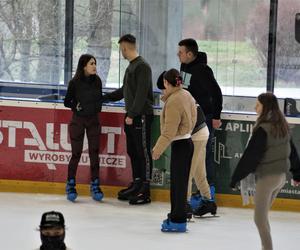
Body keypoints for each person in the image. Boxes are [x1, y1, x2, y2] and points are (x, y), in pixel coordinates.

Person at [230, 93, 300, 250]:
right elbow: (293, 151)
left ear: (265, 107)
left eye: (258, 105)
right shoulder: (281, 124)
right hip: (280, 178)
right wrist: (297, 174)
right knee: (263, 217)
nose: (255, 107)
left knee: (259, 219)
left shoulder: (263, 129)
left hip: (267, 178)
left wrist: (235, 178)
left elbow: (250, 156)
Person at [103, 34, 154, 205]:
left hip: (141, 116)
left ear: (125, 48)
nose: (121, 53)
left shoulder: (142, 67)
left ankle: (145, 190)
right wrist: (105, 97)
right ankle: (137, 182)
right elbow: (125, 90)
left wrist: (132, 114)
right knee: (133, 151)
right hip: (131, 116)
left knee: (143, 152)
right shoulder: (131, 67)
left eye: (121, 49)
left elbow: (141, 94)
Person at [152, 68, 196, 232]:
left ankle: (178, 220)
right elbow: (194, 115)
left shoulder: (174, 101)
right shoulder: (186, 95)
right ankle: (178, 215)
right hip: (187, 141)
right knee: (180, 184)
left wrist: (157, 149)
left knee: (178, 185)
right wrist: (187, 130)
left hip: (180, 145)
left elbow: (169, 131)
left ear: (165, 82)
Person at [177, 38, 223, 198]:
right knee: (192, 154)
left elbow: (216, 93)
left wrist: (216, 116)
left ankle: (208, 191)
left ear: (190, 54)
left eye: (181, 52)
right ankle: (200, 190)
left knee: (204, 153)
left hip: (205, 118)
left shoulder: (203, 70)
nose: (178, 55)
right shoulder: (184, 66)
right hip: (190, 117)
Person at [64, 54, 103, 202]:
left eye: (95, 63)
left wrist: (96, 108)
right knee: (76, 153)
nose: (94, 66)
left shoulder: (97, 81)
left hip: (93, 120)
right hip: (78, 121)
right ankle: (71, 184)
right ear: (84, 66)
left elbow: (99, 98)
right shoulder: (74, 82)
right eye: (91, 63)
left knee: (94, 152)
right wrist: (76, 106)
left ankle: (95, 183)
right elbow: (67, 101)